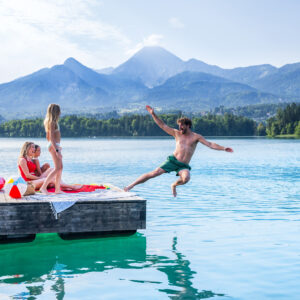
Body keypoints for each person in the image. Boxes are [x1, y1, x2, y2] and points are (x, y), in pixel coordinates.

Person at [124, 105, 234, 197]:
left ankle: (174, 185)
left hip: (183, 165)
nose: (180, 128)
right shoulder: (176, 133)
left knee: (186, 178)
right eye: (179, 126)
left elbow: (210, 144)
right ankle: (130, 186)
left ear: (188, 125)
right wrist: (153, 114)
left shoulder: (196, 137)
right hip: (172, 161)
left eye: (182, 126)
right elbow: (162, 125)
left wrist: (223, 148)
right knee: (154, 173)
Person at [39, 104, 80, 194]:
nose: (60, 112)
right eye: (59, 111)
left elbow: (47, 136)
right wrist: (56, 149)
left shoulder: (50, 122)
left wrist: (56, 146)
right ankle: (43, 187)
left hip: (54, 145)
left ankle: (57, 189)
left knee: (60, 168)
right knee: (57, 168)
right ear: (55, 112)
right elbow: (52, 138)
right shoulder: (52, 123)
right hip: (54, 146)